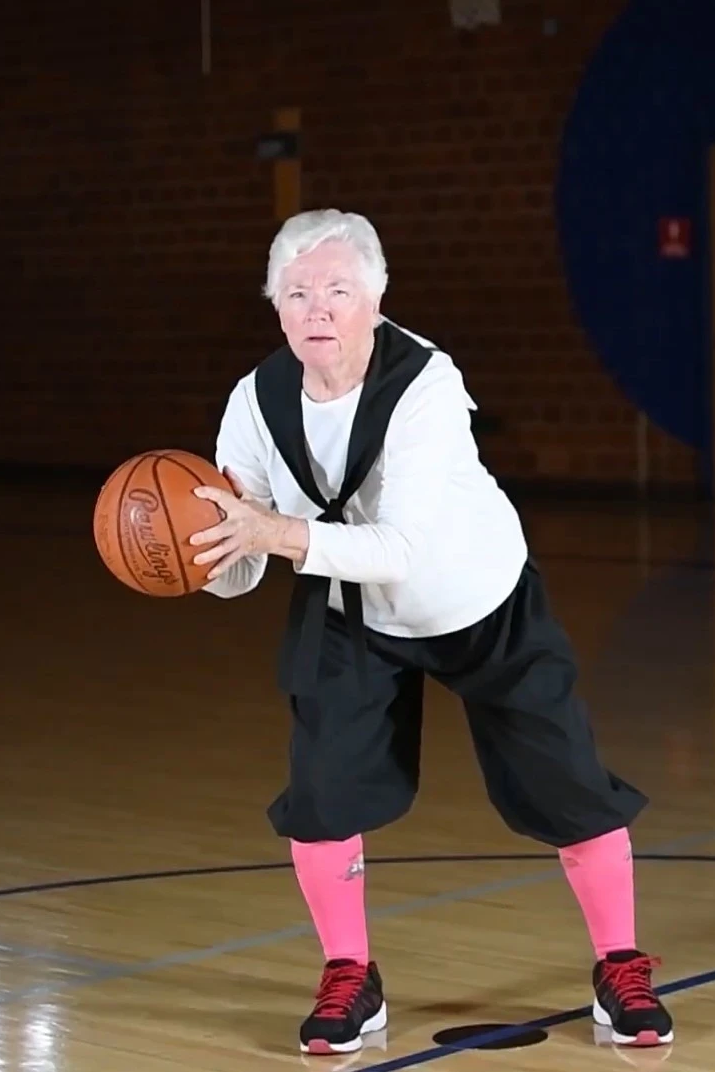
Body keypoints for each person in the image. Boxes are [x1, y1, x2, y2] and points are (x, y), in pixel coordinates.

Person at [188, 208, 673, 1055]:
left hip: (476, 597)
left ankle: (619, 965)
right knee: (321, 787)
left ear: (376, 299)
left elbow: (400, 548)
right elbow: (245, 563)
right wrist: (201, 553)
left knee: (565, 779)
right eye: (297, 293)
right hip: (350, 605)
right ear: (275, 306)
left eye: (338, 290)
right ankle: (350, 974)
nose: (317, 307)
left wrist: (273, 532)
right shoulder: (254, 402)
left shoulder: (426, 384)